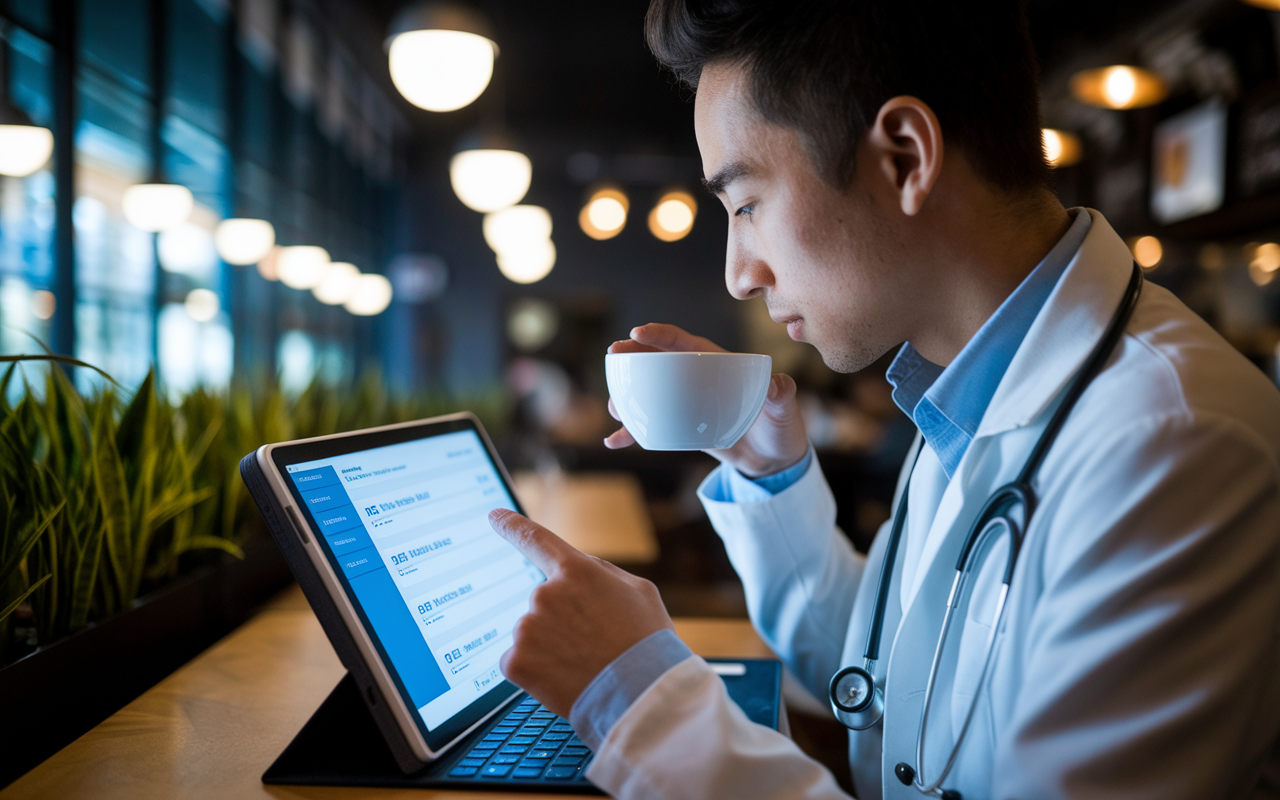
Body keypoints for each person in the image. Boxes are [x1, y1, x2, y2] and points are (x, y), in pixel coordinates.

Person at [485, 1, 1280, 797]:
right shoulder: (964, 390)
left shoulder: (1176, 446)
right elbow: (890, 684)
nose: (739, 273)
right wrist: (771, 474)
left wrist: (640, 700)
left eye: (747, 204)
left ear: (904, 157)